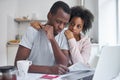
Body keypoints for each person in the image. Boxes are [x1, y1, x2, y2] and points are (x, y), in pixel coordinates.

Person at [14, 1, 71, 75]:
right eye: (58, 21)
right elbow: (18, 64)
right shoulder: (33, 31)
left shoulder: (63, 35)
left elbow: (64, 64)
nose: (61, 27)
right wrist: (49, 70)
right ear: (49, 15)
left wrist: (52, 39)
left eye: (65, 24)